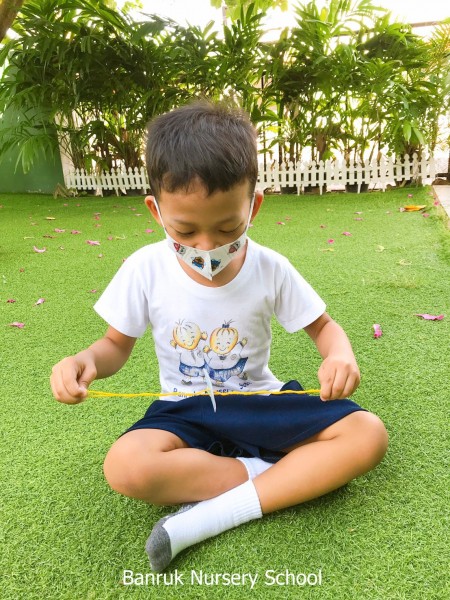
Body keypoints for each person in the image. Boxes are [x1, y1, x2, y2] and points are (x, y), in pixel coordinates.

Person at [50, 101, 388, 572]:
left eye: (228, 227)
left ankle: (209, 516)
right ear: (155, 210)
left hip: (259, 403)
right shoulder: (144, 269)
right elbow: (113, 346)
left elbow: (324, 328)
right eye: (185, 230)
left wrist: (340, 356)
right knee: (125, 466)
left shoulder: (270, 268)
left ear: (254, 205)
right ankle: (279, 477)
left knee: (368, 434)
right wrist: (84, 361)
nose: (206, 247)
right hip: (184, 410)